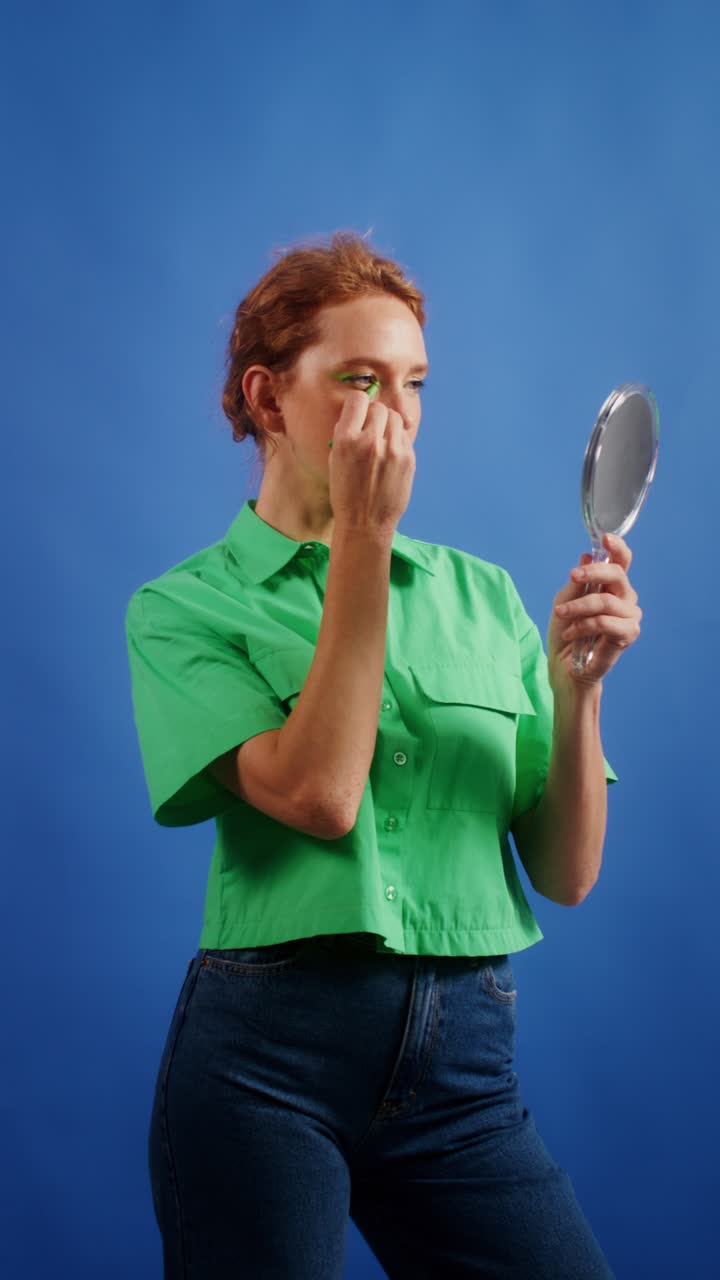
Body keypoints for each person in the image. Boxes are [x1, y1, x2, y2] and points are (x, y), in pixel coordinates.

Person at [126, 231, 641, 1278]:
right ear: (270, 401)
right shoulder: (181, 610)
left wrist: (577, 688)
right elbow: (319, 793)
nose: (396, 412)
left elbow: (567, 872)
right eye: (359, 380)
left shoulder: (482, 593)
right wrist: (361, 538)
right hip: (267, 1063)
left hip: (465, 1070)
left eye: (412, 382)